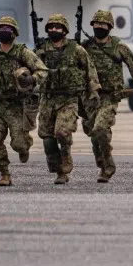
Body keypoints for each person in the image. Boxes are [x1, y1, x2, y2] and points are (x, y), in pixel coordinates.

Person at [0, 16, 48, 186]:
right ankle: (4, 174)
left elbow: (42, 70)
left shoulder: (23, 53)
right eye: (1, 29)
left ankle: (25, 145)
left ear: (14, 33)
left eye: (8, 29)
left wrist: (31, 79)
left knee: (18, 145)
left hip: (18, 106)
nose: (4, 31)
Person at [81, 10, 133, 182]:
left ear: (110, 27)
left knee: (100, 128)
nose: (99, 27)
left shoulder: (118, 47)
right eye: (96, 24)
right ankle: (101, 158)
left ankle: (108, 164)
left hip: (109, 97)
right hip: (90, 97)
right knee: (92, 131)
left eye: (103, 25)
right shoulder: (85, 47)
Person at [35, 14, 100, 184]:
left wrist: (93, 91)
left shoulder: (76, 49)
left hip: (68, 98)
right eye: (51, 27)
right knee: (48, 140)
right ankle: (59, 172)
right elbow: (30, 67)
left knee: (62, 132)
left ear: (64, 30)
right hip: (47, 99)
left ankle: (66, 158)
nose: (54, 30)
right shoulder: (41, 50)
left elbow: (89, 68)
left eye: (58, 27)